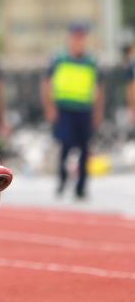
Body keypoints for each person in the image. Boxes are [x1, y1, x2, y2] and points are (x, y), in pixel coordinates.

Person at [41, 22, 105, 199]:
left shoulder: (91, 61)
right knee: (65, 146)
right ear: (70, 39)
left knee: (85, 149)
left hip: (84, 110)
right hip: (64, 110)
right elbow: (46, 84)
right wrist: (50, 107)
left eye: (82, 37)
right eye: (76, 37)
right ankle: (62, 181)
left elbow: (99, 89)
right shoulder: (59, 59)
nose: (79, 41)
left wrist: (98, 113)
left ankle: (81, 187)